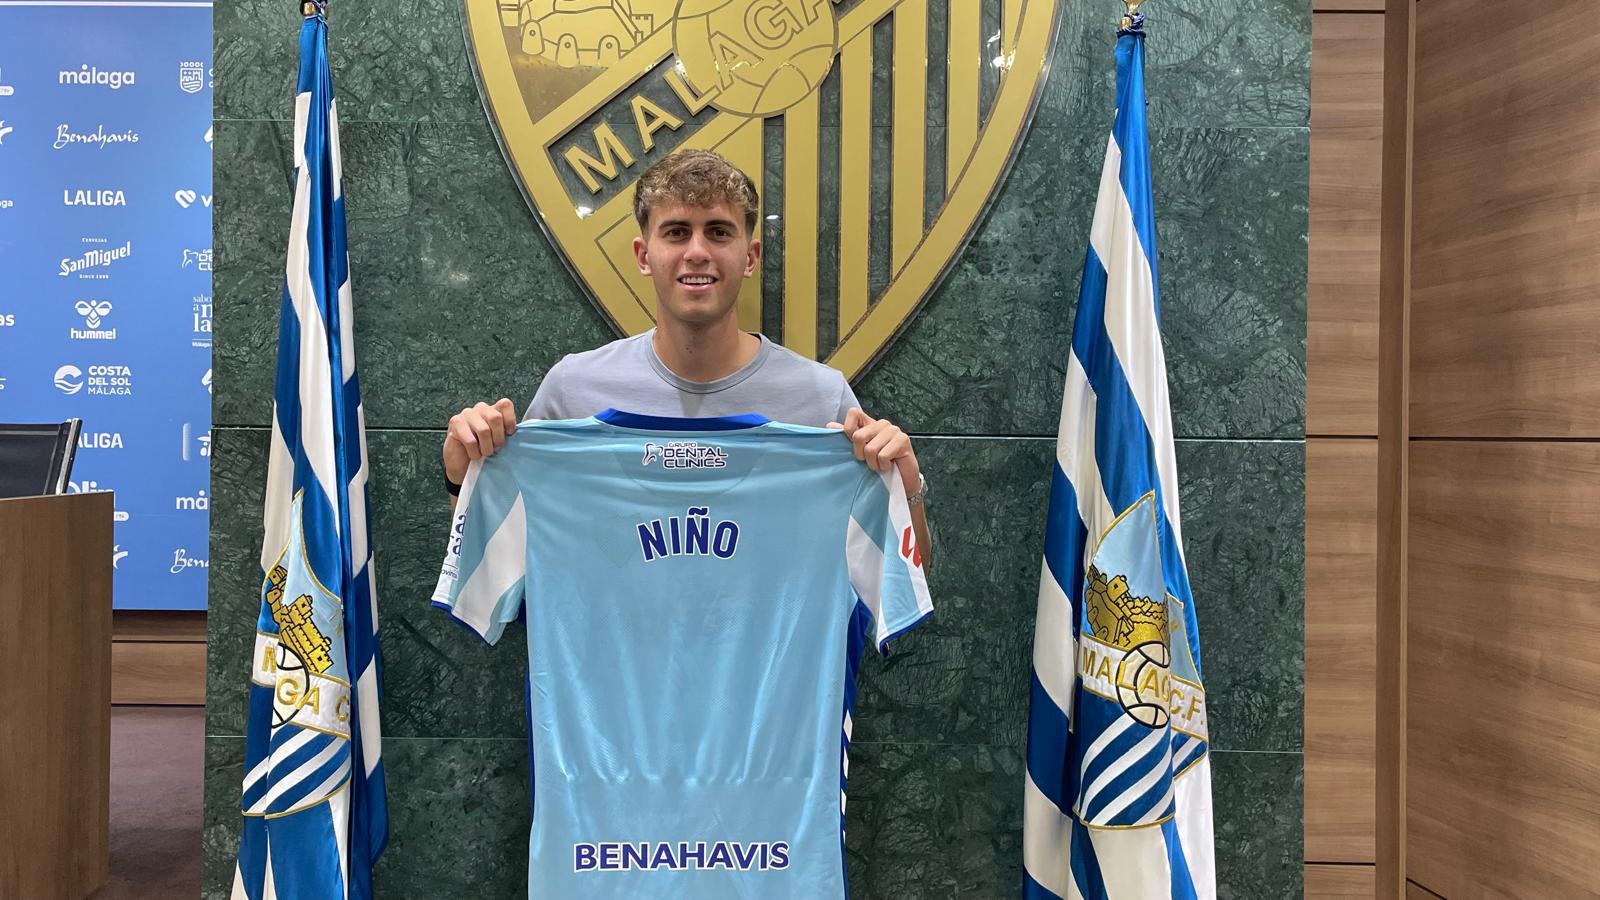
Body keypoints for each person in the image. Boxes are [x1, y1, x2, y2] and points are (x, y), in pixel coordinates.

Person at [441, 149, 932, 562]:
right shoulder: (574, 389)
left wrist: (906, 487)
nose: (697, 252)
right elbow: (502, 563)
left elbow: (900, 578)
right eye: (676, 232)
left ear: (750, 257)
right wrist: (464, 481)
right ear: (643, 255)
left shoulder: (820, 399)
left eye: (718, 232)